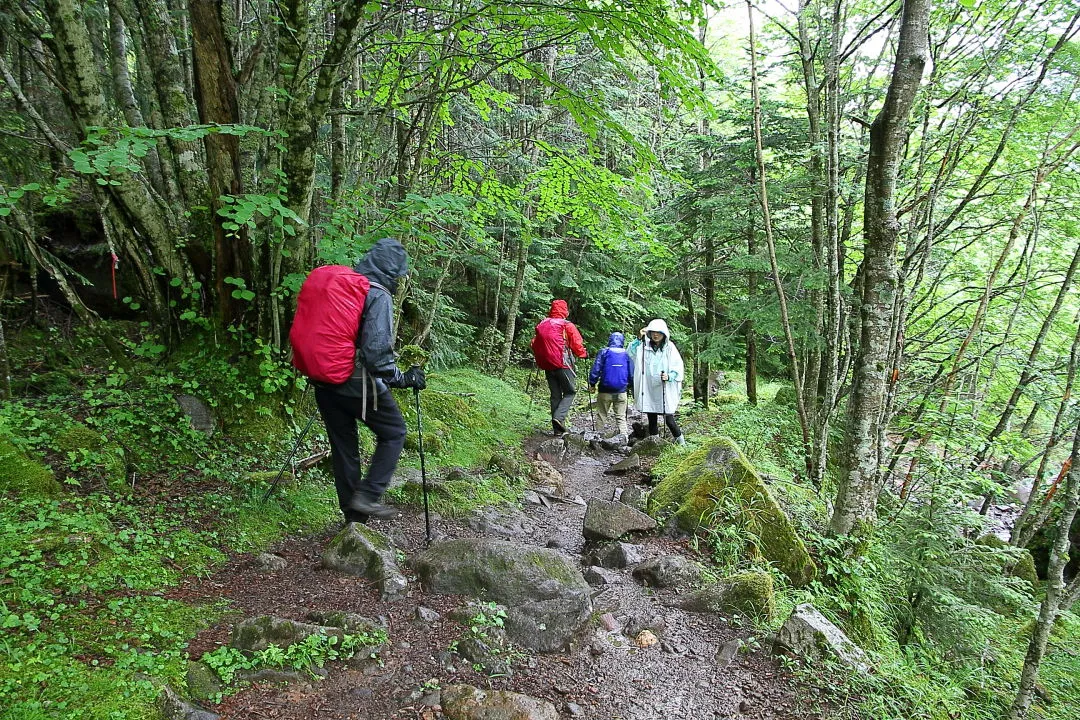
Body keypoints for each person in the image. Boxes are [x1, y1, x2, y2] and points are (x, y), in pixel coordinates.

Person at [313, 238, 426, 522]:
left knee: (344, 448)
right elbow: (376, 353)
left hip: (322, 380)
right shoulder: (376, 294)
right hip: (354, 382)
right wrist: (403, 378)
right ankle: (368, 496)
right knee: (394, 431)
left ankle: (354, 520)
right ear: (392, 272)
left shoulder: (346, 289)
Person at [530, 299, 587, 436]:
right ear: (565, 311)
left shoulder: (543, 323)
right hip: (563, 364)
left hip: (548, 365)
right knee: (570, 392)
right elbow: (577, 343)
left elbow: (533, 343)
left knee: (555, 395)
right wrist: (583, 354)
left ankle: (557, 430)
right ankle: (559, 418)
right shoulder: (566, 325)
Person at [629, 319, 686, 445]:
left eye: (659, 332)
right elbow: (630, 352)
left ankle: (682, 443)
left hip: (663, 387)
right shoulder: (643, 346)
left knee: (669, 419)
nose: (656, 335)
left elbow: (677, 365)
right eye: (653, 332)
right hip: (648, 387)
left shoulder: (669, 347)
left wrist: (670, 376)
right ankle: (655, 444)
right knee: (652, 416)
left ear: (664, 334)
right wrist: (639, 338)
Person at [588, 332, 634, 438]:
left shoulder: (604, 352)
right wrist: (630, 387)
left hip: (605, 390)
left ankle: (598, 438)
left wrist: (592, 383)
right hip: (621, 391)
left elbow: (596, 369)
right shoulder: (627, 355)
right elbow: (631, 373)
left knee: (601, 415)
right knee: (621, 416)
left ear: (610, 340)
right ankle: (624, 438)